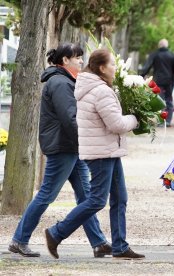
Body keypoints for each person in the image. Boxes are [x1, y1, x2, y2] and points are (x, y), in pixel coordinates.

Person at [8, 43, 111, 258]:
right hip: (64, 146)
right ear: (65, 60)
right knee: (47, 194)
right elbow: (70, 118)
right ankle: (19, 240)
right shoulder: (60, 83)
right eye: (77, 58)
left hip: (71, 146)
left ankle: (99, 243)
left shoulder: (66, 81)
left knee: (86, 197)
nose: (81, 61)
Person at [44, 49, 145, 260]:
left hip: (106, 149)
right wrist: (135, 119)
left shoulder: (93, 87)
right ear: (101, 68)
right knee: (97, 200)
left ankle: (120, 246)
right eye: (112, 64)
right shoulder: (101, 91)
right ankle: (56, 233)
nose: (115, 68)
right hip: (101, 152)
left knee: (119, 198)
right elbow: (116, 123)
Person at [140, 39, 174, 127]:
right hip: (169, 81)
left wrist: (141, 75)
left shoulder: (155, 54)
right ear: (167, 45)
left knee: (159, 100)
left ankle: (160, 120)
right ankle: (168, 120)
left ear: (159, 46)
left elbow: (147, 66)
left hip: (158, 80)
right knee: (169, 100)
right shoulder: (172, 55)